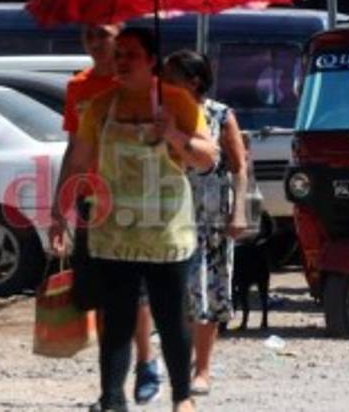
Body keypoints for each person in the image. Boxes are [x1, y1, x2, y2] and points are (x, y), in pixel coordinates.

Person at [52, 27, 218, 412]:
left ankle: (182, 396)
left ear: (150, 61)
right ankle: (112, 398)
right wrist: (59, 210)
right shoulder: (101, 105)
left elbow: (206, 158)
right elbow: (78, 158)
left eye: (131, 54)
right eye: (119, 54)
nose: (121, 61)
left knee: (170, 313)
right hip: (115, 231)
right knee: (117, 319)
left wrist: (173, 134)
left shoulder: (177, 101)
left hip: (165, 232)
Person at [54, 24, 162, 405]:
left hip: (136, 201)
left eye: (104, 34)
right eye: (88, 36)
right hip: (92, 203)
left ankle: (147, 363)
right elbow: (72, 149)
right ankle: (110, 388)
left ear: (120, 37)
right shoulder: (78, 88)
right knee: (100, 296)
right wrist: (58, 208)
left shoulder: (141, 82)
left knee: (136, 293)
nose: (96, 42)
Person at [162, 49, 248, 398]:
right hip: (169, 215)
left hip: (210, 215)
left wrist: (239, 210)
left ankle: (203, 370)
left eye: (171, 76)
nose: (163, 82)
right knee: (179, 292)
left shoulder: (220, 115)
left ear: (193, 81)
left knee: (208, 292)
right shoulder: (162, 116)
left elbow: (240, 166)